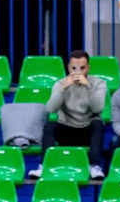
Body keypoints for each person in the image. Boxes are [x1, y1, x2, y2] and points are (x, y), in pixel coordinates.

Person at [39, 50, 107, 179]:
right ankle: (44, 165)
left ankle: (94, 166)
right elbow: (51, 108)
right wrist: (63, 89)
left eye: (82, 68)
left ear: (88, 68)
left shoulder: (99, 83)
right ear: (69, 68)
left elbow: (98, 108)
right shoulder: (60, 84)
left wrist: (88, 87)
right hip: (67, 129)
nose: (78, 72)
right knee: (50, 126)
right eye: (74, 68)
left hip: (87, 129)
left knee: (98, 124)